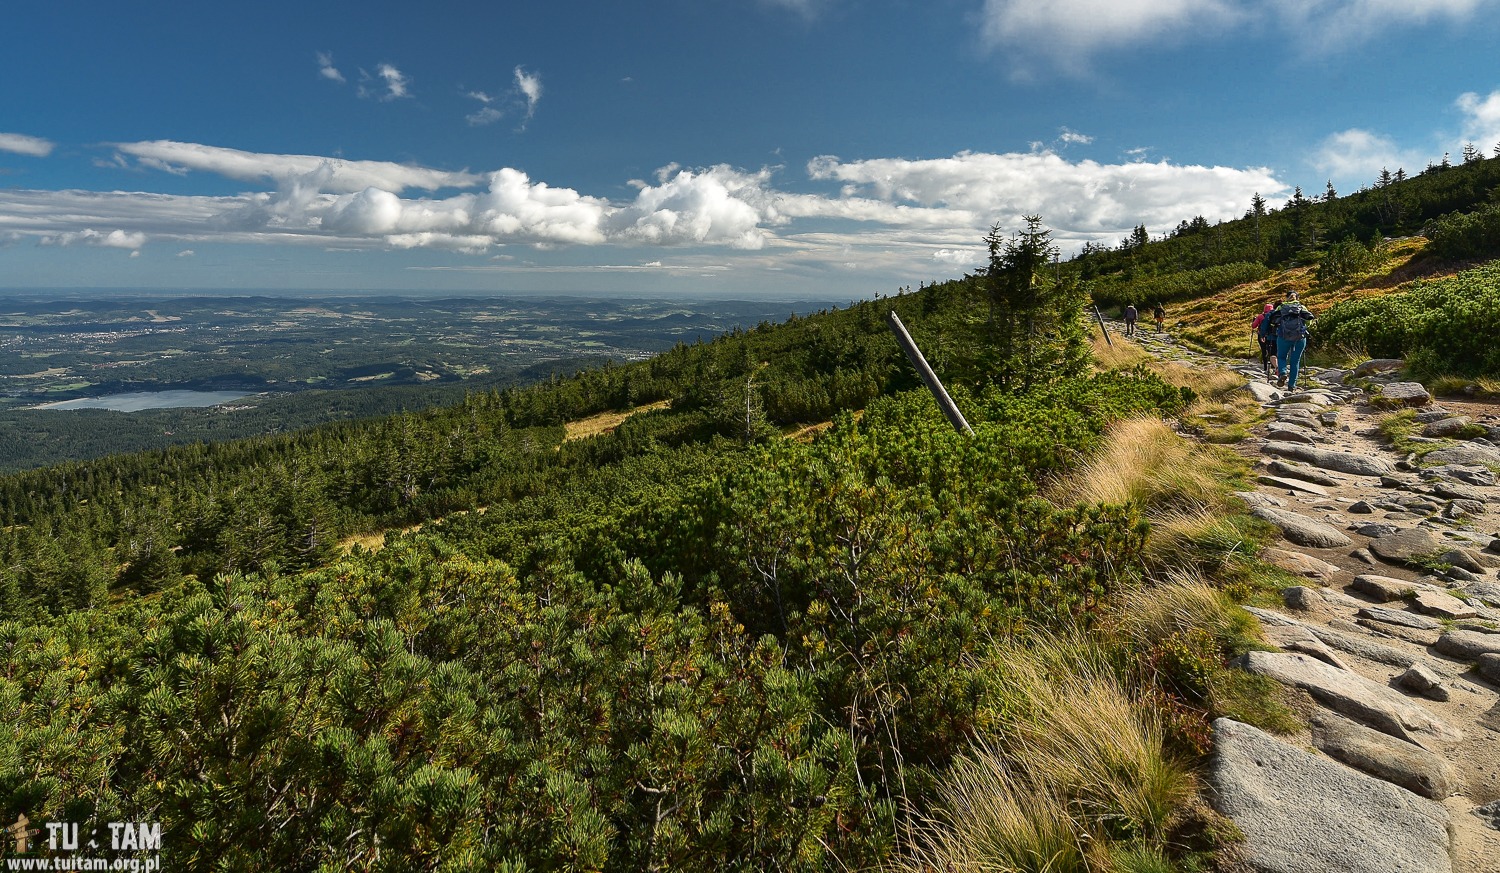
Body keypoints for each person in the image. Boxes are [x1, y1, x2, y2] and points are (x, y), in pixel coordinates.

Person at [1273, 291, 1315, 391]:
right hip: (1299, 338)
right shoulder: (1302, 307)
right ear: (1297, 298)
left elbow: (1274, 320)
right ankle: (1292, 386)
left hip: (1283, 337)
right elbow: (1309, 322)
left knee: (1281, 357)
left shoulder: (1281, 307)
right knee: (1295, 362)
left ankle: (1283, 372)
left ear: (1286, 297)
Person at [1251, 302, 1275, 378]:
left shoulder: (1260, 316)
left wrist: (1254, 321)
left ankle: (1265, 367)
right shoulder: (1274, 316)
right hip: (1272, 336)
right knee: (1272, 351)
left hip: (1262, 336)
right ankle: (1274, 366)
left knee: (1264, 350)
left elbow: (1253, 326)